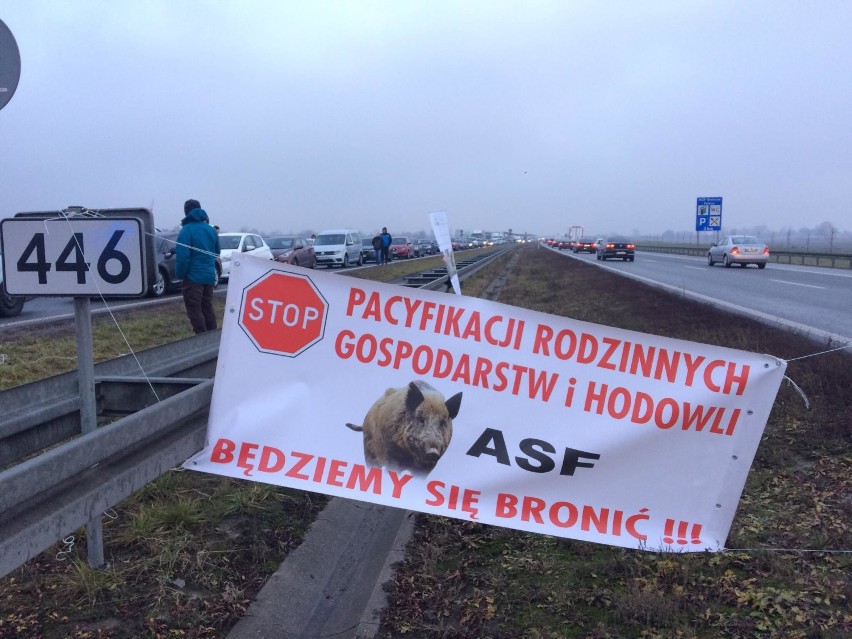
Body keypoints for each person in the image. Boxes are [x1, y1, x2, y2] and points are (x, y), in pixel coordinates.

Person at [175, 199, 221, 334]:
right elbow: (216, 252)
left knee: (194, 309)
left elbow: (183, 257)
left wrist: (180, 275)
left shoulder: (186, 230)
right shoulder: (211, 230)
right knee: (207, 307)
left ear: (186, 211)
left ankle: (201, 340)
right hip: (209, 276)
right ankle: (213, 340)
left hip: (192, 278)